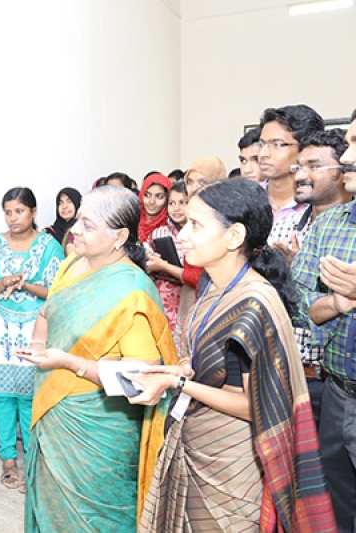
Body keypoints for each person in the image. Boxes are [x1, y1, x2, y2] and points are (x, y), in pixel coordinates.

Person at [130, 178, 335, 532]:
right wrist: (176, 370)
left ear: (234, 236)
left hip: (229, 460)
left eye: (196, 225)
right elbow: (208, 360)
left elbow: (255, 404)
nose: (182, 235)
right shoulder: (213, 284)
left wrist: (178, 381)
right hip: (196, 436)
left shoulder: (254, 301)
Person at [15, 185, 178, 532]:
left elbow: (143, 375)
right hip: (53, 409)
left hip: (98, 426)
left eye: (88, 225)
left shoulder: (131, 290)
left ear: (120, 236)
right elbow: (48, 310)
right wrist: (40, 344)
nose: (75, 230)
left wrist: (69, 362)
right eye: (78, 221)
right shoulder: (72, 263)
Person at [0, 187, 64, 494]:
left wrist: (26, 285)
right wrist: (5, 282)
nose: (13, 218)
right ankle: (9, 460)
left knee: (29, 399)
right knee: (1, 397)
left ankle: (32, 463)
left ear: (34, 212)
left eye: (20, 211)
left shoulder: (49, 246)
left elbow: (57, 291)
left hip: (34, 331)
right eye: (9, 212)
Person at [291, 109, 356, 532]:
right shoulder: (330, 224)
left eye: (355, 146)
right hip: (338, 395)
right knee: (340, 509)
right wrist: (338, 300)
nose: (347, 156)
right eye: (348, 144)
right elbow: (300, 301)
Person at [277, 128, 352, 428]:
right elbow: (298, 299)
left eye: (314, 166)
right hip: (302, 376)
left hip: (325, 377)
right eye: (299, 167)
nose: (300, 176)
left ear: (341, 172)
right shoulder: (290, 226)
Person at [257, 104, 324, 246]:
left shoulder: (318, 205)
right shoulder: (247, 198)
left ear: (306, 149)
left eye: (278, 145)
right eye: (261, 144)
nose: (263, 154)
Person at [145, 180, 195, 354]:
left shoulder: (199, 234)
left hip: (190, 296)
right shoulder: (159, 233)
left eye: (183, 202)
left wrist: (164, 265)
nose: (177, 208)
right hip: (165, 296)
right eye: (172, 203)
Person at [42, 187, 81, 254]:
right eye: (60, 203)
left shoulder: (84, 230)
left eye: (69, 201)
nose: (64, 206)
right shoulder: (49, 232)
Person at [138, 173, 171, 244]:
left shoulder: (171, 229)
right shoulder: (131, 221)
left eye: (159, 196)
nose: (152, 201)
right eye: (147, 195)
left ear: (168, 199)